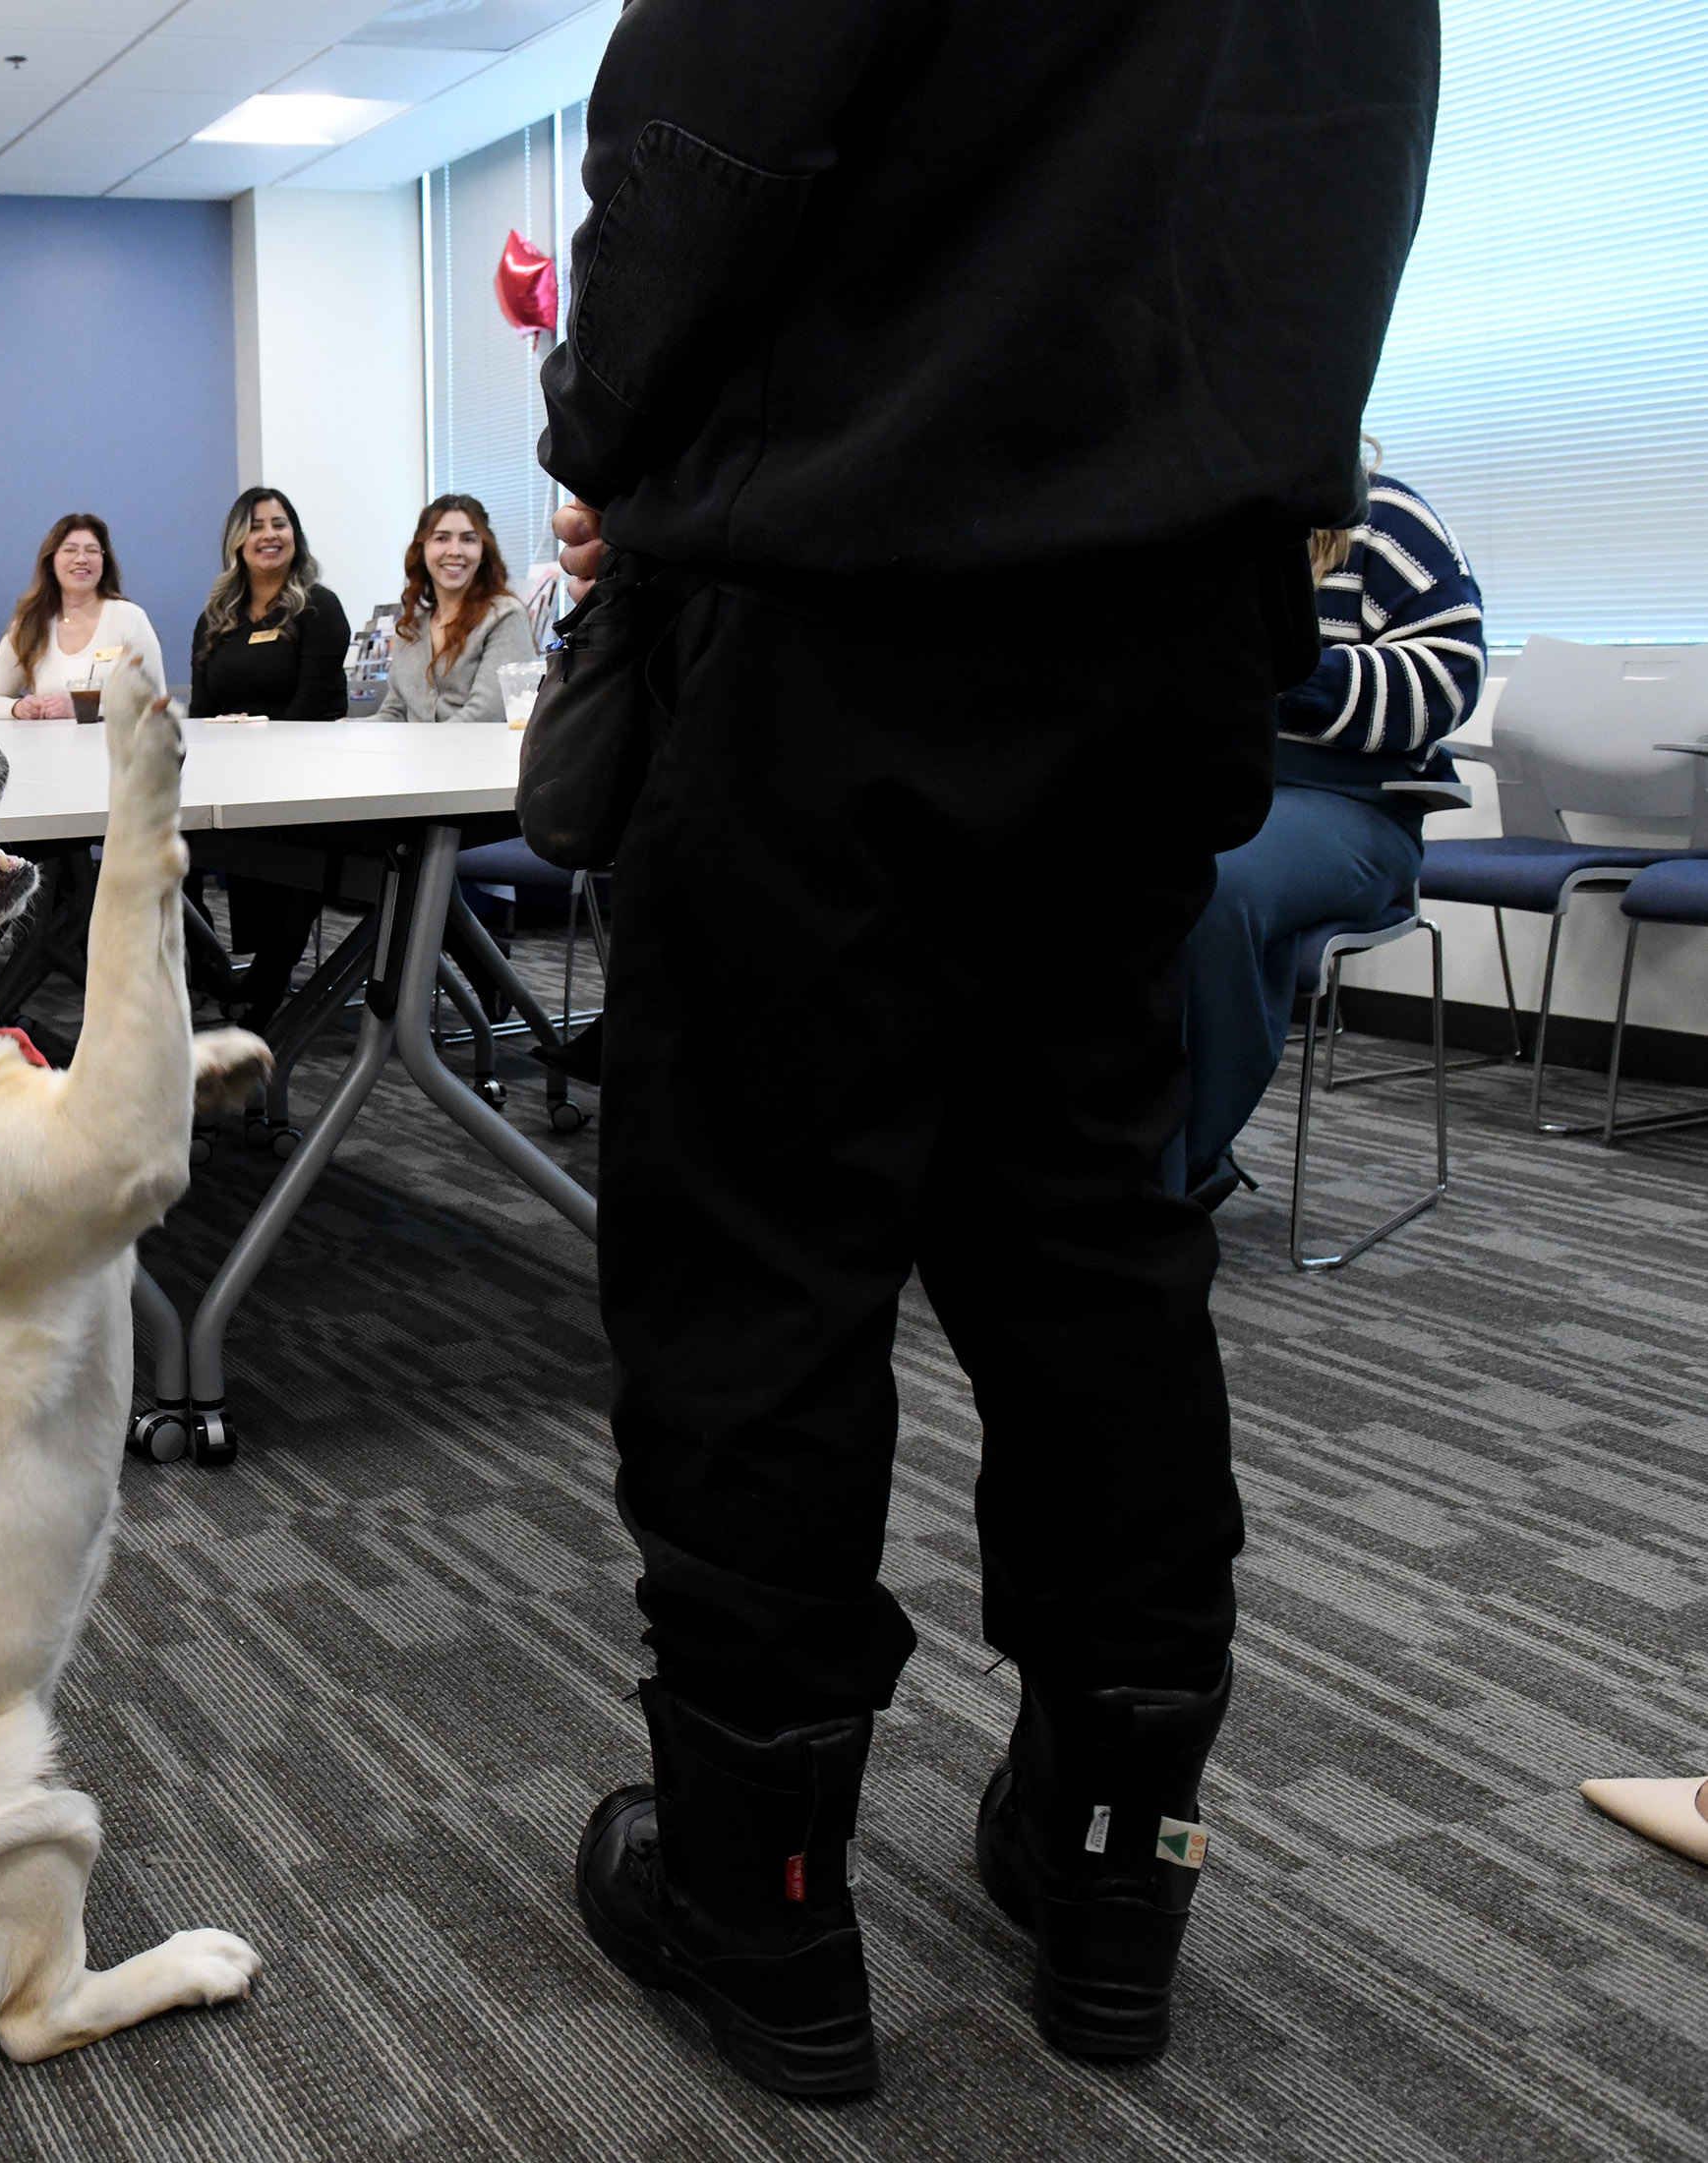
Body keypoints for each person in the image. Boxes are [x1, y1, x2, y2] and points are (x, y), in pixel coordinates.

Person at [537, 0, 1438, 2097]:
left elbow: (709, 134)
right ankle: (1118, 1860)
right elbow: (1331, 202)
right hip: (1168, 616)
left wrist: (612, 434)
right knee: (1092, 1234)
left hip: (847, 594)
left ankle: (763, 1904)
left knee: (762, 1252)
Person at [1177, 464, 1482, 1208]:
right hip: (1194, 790)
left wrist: (1275, 678)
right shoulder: (1174, 514)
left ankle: (1175, 1165)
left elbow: (1449, 676)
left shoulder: (1381, 512)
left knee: (1213, 884)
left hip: (1349, 800)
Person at [189, 487, 351, 1024]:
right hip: (230, 772)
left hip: (300, 772)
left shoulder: (318, 607)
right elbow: (203, 708)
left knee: (285, 845)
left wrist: (260, 733)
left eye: (280, 524)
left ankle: (269, 979)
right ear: (238, 541)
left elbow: (319, 703)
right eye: (256, 525)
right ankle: (201, 963)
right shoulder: (218, 616)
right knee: (168, 836)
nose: (269, 535)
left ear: (294, 536)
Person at [0, 514, 165, 722]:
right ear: (51, 560)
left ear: (104, 561)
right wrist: (17, 707)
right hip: (44, 751)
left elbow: (156, 701)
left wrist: (87, 709)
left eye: (92, 551)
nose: (81, 559)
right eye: (70, 550)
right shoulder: (30, 625)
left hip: (117, 750)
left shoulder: (130, 619)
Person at [380, 495, 538, 726]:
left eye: (468, 539)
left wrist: (420, 751)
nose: (455, 550)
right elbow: (394, 713)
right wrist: (348, 731)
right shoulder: (411, 627)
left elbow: (487, 714)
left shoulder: (505, 616)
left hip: (475, 758)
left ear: (484, 551)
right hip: (416, 758)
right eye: (442, 538)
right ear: (422, 550)